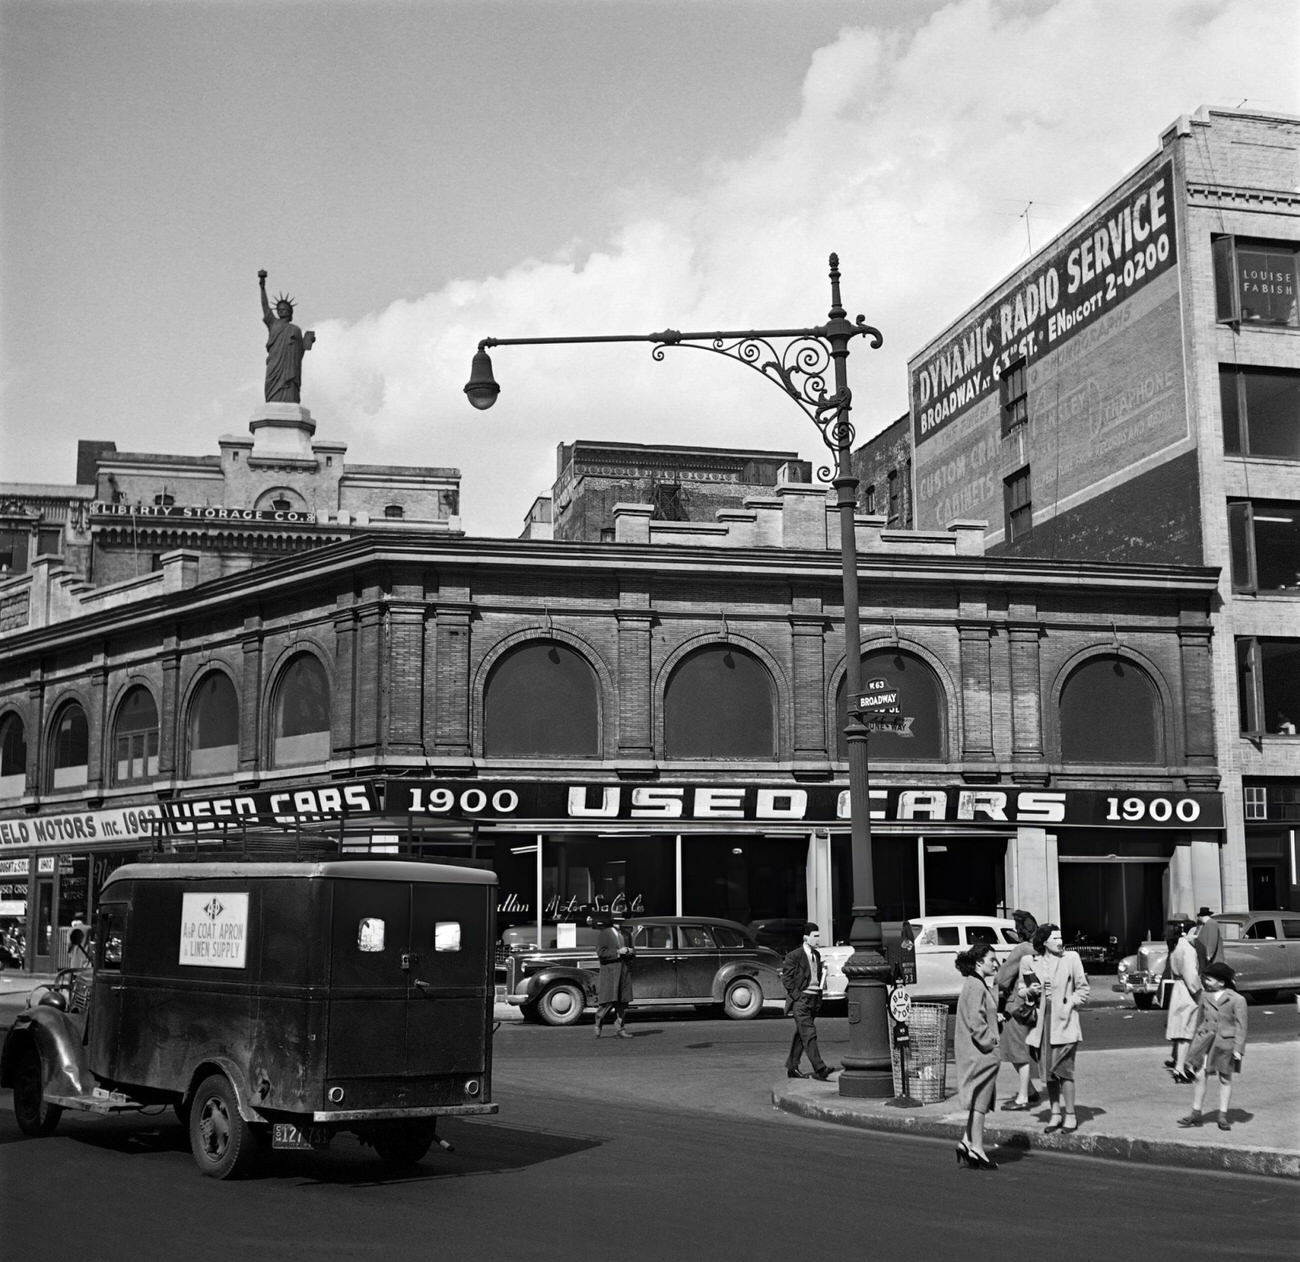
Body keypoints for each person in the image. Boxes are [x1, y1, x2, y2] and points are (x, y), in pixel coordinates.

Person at [1020, 923, 1090, 1132]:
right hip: (1043, 1022)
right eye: (1055, 938)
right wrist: (1030, 991)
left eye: (1060, 938)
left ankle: (1070, 1114)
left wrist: (1070, 1004)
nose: (1060, 942)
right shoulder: (1031, 961)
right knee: (1048, 1072)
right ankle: (1055, 1113)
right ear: (1044, 942)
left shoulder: (1071, 959)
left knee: (1064, 1070)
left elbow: (1083, 989)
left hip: (1065, 1021)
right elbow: (1021, 991)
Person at [1177, 961, 1248, 1132]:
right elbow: (1199, 1020)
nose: (1206, 982)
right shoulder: (1204, 997)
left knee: (1225, 1078)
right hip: (1205, 1043)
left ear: (1221, 982)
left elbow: (1241, 1026)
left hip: (1226, 1044)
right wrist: (1195, 1044)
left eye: (1209, 980)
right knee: (1200, 1076)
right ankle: (1195, 1113)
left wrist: (1238, 1050)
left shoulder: (1237, 1000)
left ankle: (1222, 1116)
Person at [954, 941, 1001, 1170]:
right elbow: (975, 1022)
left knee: (978, 1101)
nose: (996, 963)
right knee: (981, 1102)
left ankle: (967, 1142)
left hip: (976, 1052)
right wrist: (991, 1042)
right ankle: (978, 1149)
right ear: (979, 961)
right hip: (980, 1054)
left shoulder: (976, 983)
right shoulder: (976, 985)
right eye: (992, 959)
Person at [995, 909, 1042, 1110]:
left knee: (1017, 1051)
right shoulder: (1040, 950)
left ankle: (1024, 1096)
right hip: (1035, 1005)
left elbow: (1003, 978)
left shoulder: (1021, 950)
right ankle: (1029, 1091)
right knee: (1024, 1050)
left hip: (1016, 1006)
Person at [780, 923, 836, 1081]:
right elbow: (787, 978)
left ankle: (792, 1067)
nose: (818, 939)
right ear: (806, 937)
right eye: (815, 936)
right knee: (809, 1034)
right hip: (802, 1000)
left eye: (818, 936)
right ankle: (820, 1068)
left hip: (813, 1000)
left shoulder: (816, 955)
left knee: (801, 1035)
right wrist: (797, 996)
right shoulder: (795, 955)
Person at [258, 270, 315, 403]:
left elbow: (299, 353)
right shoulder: (273, 323)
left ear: (290, 312)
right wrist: (262, 288)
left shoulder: (295, 330)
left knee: (291, 394)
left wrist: (308, 342)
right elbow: (265, 306)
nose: (282, 311)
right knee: (271, 389)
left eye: (285, 309)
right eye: (280, 309)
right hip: (275, 363)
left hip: (290, 368)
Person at [1164, 916, 1202, 1083]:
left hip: (1178, 989)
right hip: (1187, 991)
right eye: (1195, 932)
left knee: (1180, 1031)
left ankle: (1179, 1065)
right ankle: (1180, 1068)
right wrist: (1199, 992)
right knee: (1186, 1032)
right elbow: (1191, 975)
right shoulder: (1187, 949)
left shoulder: (1176, 947)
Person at [593, 914, 634, 1038]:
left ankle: (620, 1028)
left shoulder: (627, 934)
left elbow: (633, 951)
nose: (619, 924)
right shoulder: (604, 933)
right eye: (617, 921)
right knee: (607, 1002)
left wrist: (631, 952)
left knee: (622, 1002)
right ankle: (598, 1024)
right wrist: (617, 952)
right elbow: (601, 953)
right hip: (610, 972)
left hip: (623, 972)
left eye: (621, 921)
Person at [1194, 906, 1223, 972]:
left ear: (1201, 917)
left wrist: (1209, 955)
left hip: (1212, 961)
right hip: (1207, 960)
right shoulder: (1208, 924)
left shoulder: (1211, 923)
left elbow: (1212, 941)